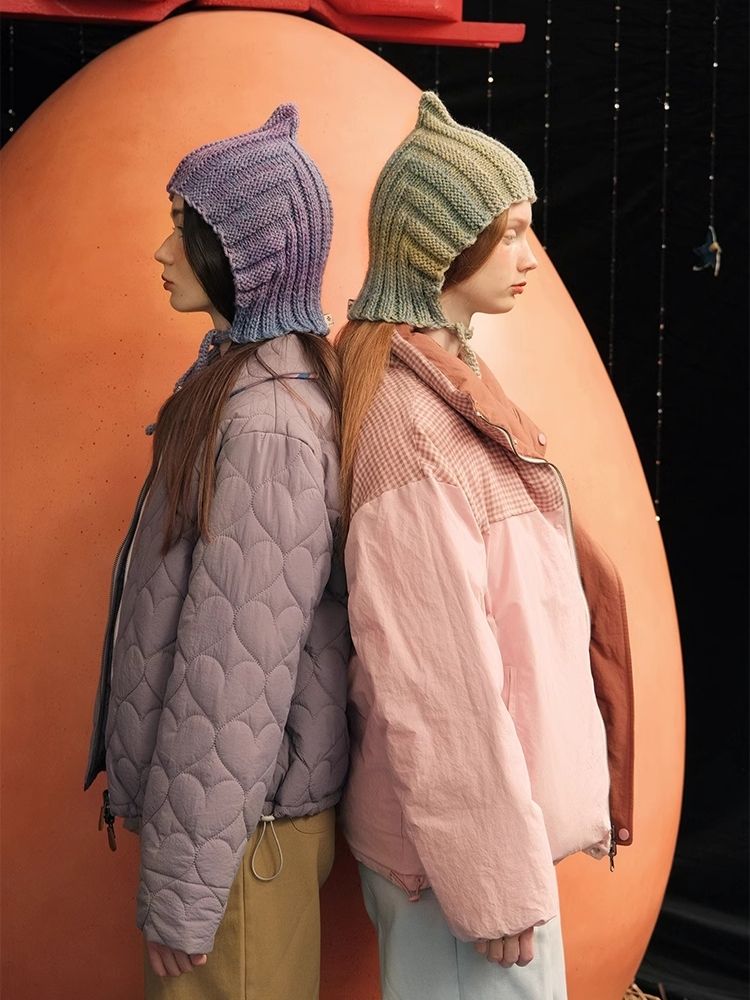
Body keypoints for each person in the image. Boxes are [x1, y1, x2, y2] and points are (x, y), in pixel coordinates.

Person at [337, 92, 634, 999]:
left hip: (486, 847)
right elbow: (436, 680)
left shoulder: (451, 376)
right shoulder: (408, 425)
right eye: (508, 234)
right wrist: (495, 883)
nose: (528, 257)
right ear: (439, 247)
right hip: (461, 869)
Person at [84, 103, 349, 1000]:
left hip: (238, 846)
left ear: (247, 256)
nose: (162, 252)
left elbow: (233, 676)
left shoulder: (267, 422)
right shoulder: (237, 381)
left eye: (183, 230)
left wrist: (185, 893)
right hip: (230, 831)